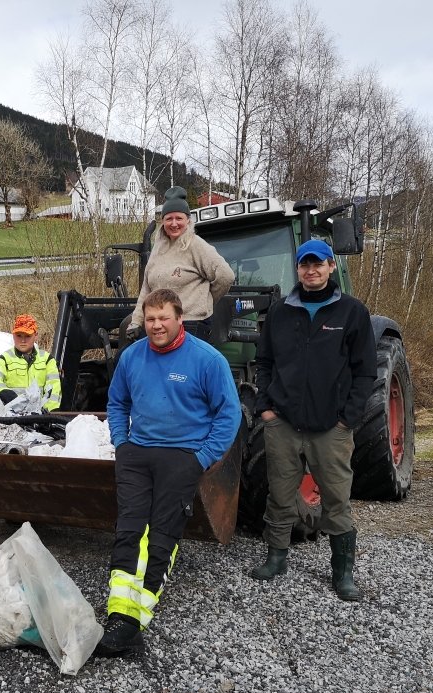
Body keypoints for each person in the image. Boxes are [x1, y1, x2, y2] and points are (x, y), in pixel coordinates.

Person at [97, 288, 241, 656]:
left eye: (164, 318)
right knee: (129, 529)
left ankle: (135, 621)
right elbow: (117, 402)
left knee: (161, 534)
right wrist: (121, 442)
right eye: (150, 318)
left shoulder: (207, 360)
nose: (156, 325)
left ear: (180, 318)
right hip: (137, 454)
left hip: (182, 457)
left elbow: (229, 414)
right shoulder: (132, 357)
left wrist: (201, 458)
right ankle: (118, 613)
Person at [251, 239, 377, 601]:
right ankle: (276, 557)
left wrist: (347, 419)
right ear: (298, 269)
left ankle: (343, 572)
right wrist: (266, 409)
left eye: (318, 264)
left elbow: (365, 371)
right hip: (283, 423)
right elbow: (264, 362)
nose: (311, 270)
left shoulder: (352, 312)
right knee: (279, 494)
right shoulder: (280, 312)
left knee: (336, 498)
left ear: (330, 267)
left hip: (330, 428)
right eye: (305, 264)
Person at [130, 186, 235, 341]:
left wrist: (204, 301)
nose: (174, 224)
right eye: (169, 219)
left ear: (188, 220)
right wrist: (136, 321)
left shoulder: (196, 245)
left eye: (179, 218)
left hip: (190, 324)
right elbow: (146, 289)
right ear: (162, 221)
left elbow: (226, 276)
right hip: (161, 325)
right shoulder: (158, 249)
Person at [0, 314, 62, 412]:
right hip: (11, 414)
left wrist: (48, 412)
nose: (23, 340)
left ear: (36, 336)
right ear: (13, 335)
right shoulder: (4, 359)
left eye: (27, 336)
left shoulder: (47, 360)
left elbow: (54, 389)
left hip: (40, 415)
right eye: (19, 335)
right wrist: (5, 393)